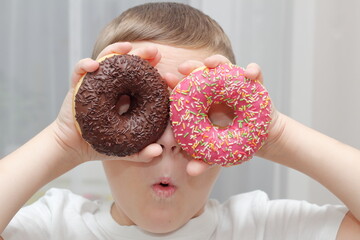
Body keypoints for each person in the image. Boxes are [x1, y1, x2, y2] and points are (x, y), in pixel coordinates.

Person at [0, 2, 359, 239]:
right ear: (97, 126)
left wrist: (275, 134)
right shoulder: (56, 227)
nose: (168, 140)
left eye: (198, 115)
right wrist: (63, 142)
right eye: (130, 109)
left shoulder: (264, 227)